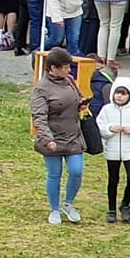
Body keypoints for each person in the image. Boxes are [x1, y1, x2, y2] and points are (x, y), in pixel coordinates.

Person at [32, 47, 86, 224]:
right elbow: (39, 116)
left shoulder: (69, 80)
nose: (68, 70)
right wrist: (48, 139)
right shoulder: (41, 89)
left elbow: (78, 98)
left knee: (76, 171)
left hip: (72, 136)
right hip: (53, 138)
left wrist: (82, 105)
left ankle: (68, 204)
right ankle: (54, 209)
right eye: (64, 67)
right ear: (53, 68)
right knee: (55, 174)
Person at [96, 76, 130, 223]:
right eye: (117, 93)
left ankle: (125, 204)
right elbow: (99, 127)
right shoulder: (107, 110)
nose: (119, 96)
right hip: (112, 150)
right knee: (113, 180)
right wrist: (110, 129)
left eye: (123, 93)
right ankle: (111, 209)